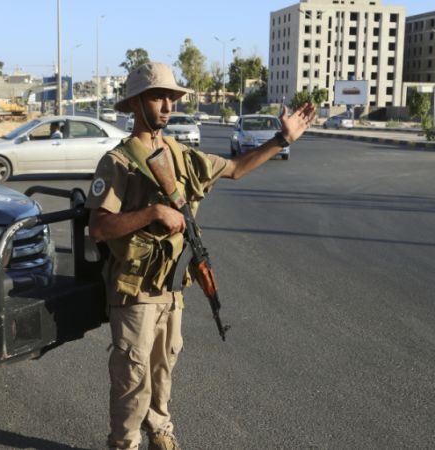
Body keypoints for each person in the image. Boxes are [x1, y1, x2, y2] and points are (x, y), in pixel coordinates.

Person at [85, 62, 315, 450]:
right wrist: (154, 213)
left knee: (162, 371)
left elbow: (238, 168)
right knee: (132, 379)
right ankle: (124, 443)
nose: (168, 106)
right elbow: (100, 228)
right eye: (159, 97)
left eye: (171, 98)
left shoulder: (182, 156)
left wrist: (282, 139)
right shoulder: (118, 161)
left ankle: (160, 433)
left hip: (172, 288)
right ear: (136, 103)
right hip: (135, 292)